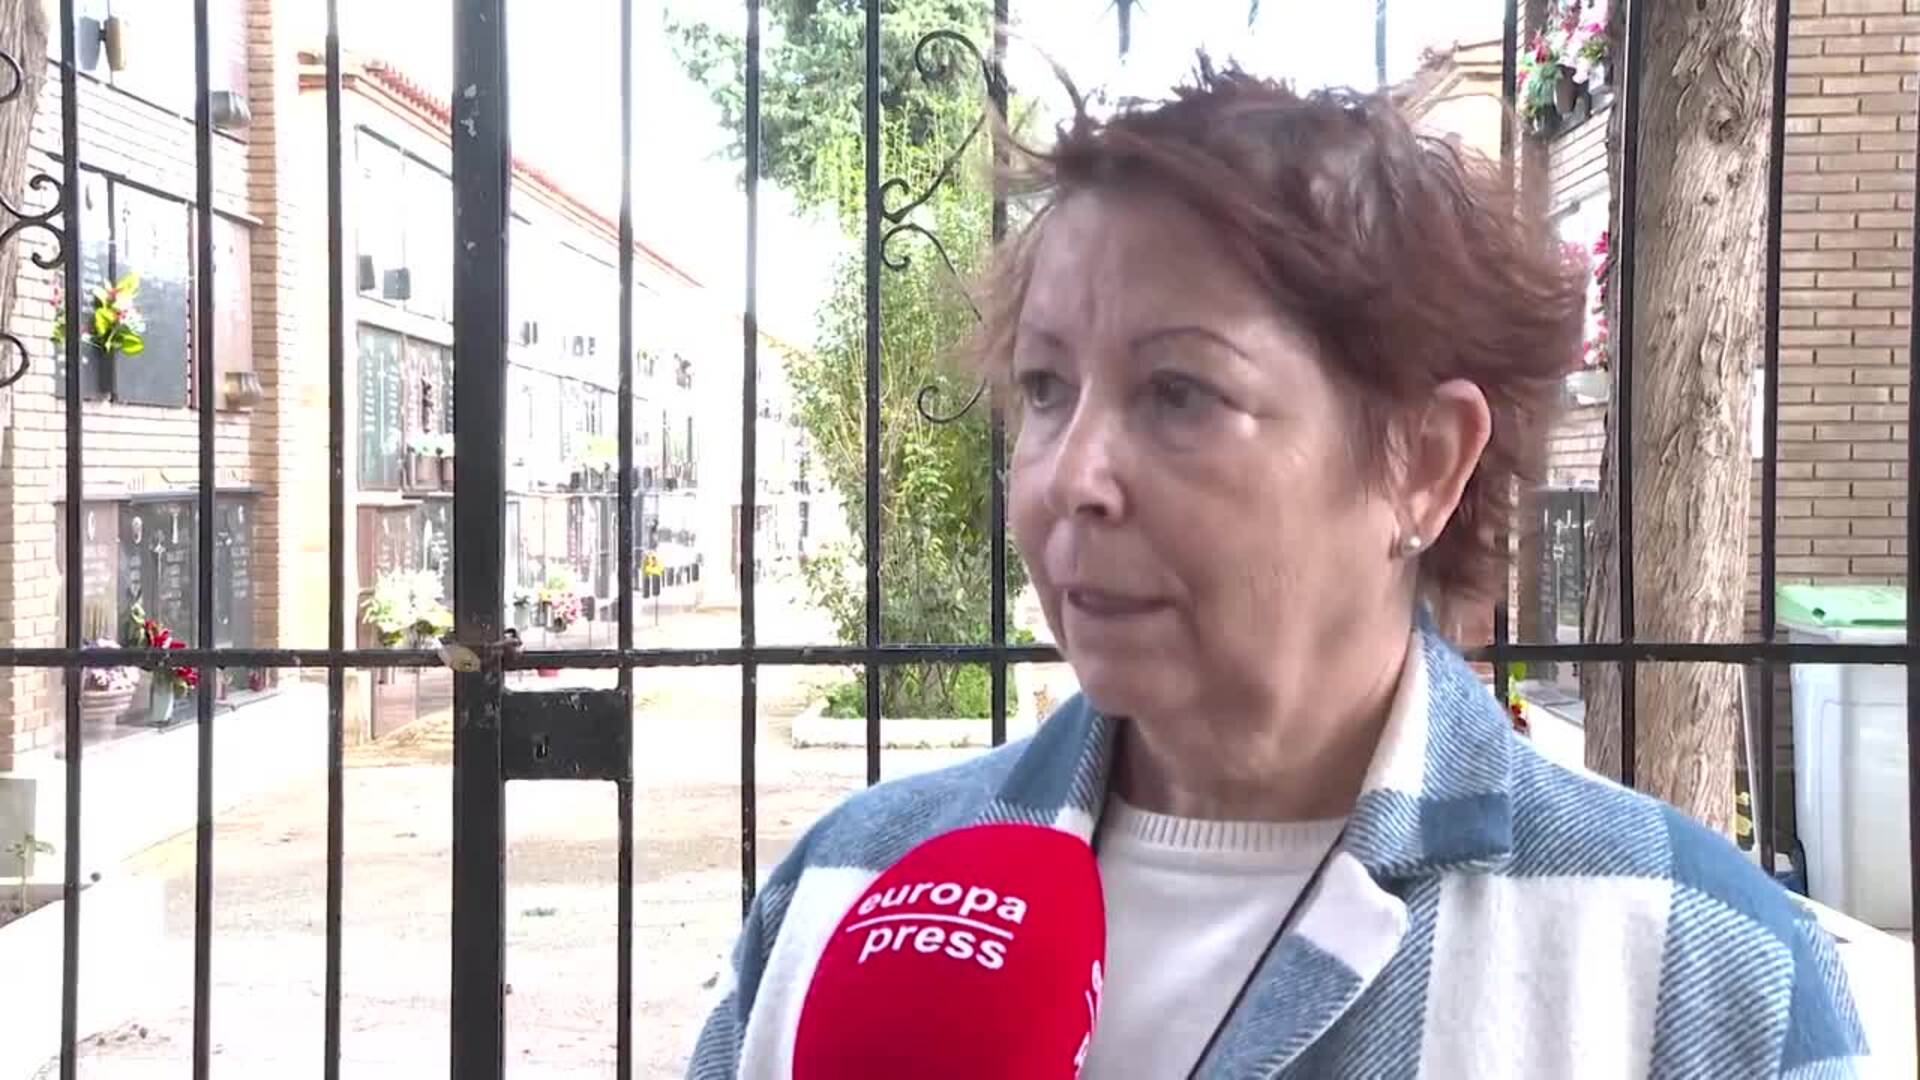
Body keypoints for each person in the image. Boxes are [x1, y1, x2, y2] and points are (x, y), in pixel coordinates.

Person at [689, 61, 1866, 1078]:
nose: (1073, 476)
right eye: (1046, 387)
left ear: (1422, 463)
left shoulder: (1698, 971)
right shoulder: (843, 895)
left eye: (1179, 393)